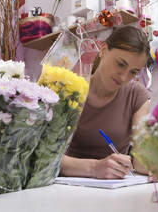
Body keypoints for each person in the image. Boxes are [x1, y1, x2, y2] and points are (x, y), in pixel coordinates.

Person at [59, 26, 151, 179]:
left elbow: (142, 159)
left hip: (116, 188)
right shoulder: (70, 90)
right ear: (103, 50)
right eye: (120, 64)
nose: (123, 77)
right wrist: (94, 168)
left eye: (133, 72)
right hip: (70, 185)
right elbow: (48, 159)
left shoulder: (136, 95)